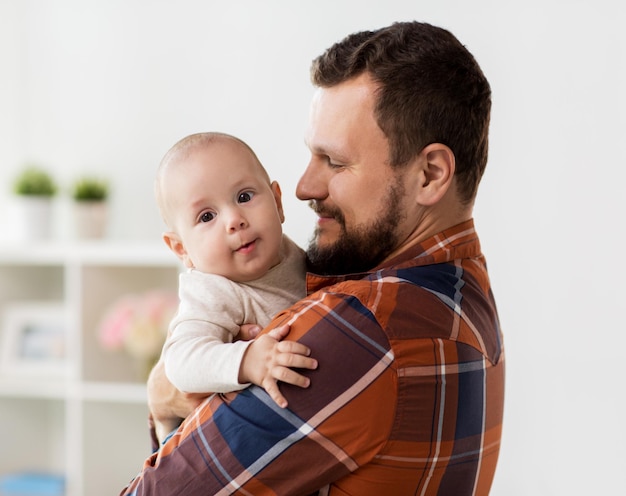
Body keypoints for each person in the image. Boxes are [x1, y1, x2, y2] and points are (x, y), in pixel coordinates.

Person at [122, 20, 505, 495]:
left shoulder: (365, 328)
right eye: (311, 156)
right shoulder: (465, 290)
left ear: (429, 174)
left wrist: (163, 394)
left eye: (335, 162)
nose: (304, 187)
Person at [153, 132, 317, 440]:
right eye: (206, 216)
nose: (234, 220)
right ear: (181, 249)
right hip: (201, 446)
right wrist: (248, 360)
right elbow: (181, 363)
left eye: (244, 197)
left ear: (278, 203)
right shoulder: (211, 289)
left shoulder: (290, 253)